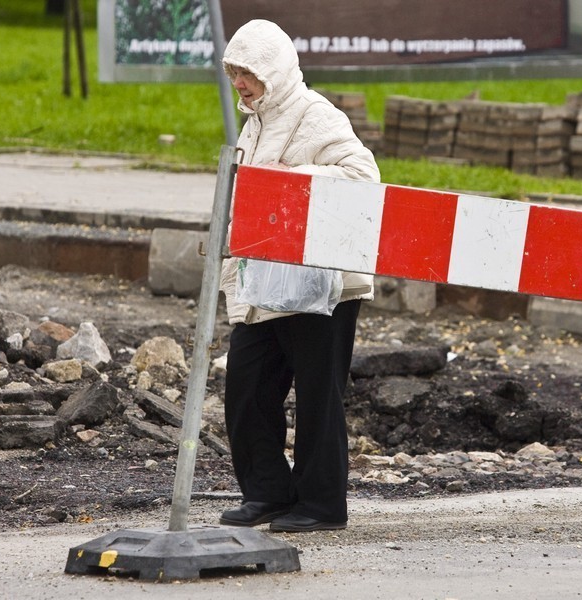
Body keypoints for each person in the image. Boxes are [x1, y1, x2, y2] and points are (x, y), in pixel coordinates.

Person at [218, 19, 380, 533]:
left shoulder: (316, 114)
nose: (239, 83)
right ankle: (268, 492)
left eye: (248, 72)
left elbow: (362, 176)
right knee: (246, 387)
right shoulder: (257, 121)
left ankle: (321, 505)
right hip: (267, 284)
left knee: (317, 396)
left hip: (322, 286)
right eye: (234, 72)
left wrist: (288, 183)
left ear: (275, 70)